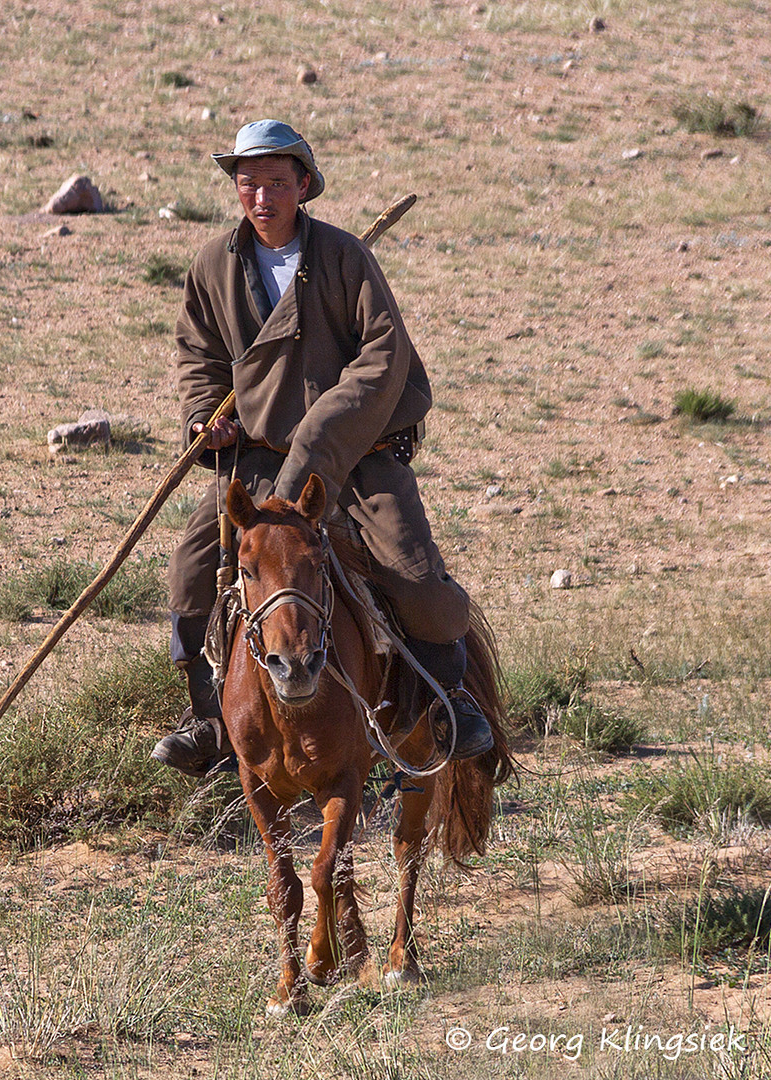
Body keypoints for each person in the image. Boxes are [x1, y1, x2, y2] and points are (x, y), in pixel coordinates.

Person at [152, 118, 493, 777]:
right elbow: (199, 360)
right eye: (248, 184)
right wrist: (203, 422)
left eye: (276, 184)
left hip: (358, 455)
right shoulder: (211, 267)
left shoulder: (343, 258)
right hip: (257, 461)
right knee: (194, 566)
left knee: (411, 569)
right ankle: (205, 718)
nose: (261, 198)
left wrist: (318, 441)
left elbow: (382, 360)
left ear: (303, 186)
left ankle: (451, 701)